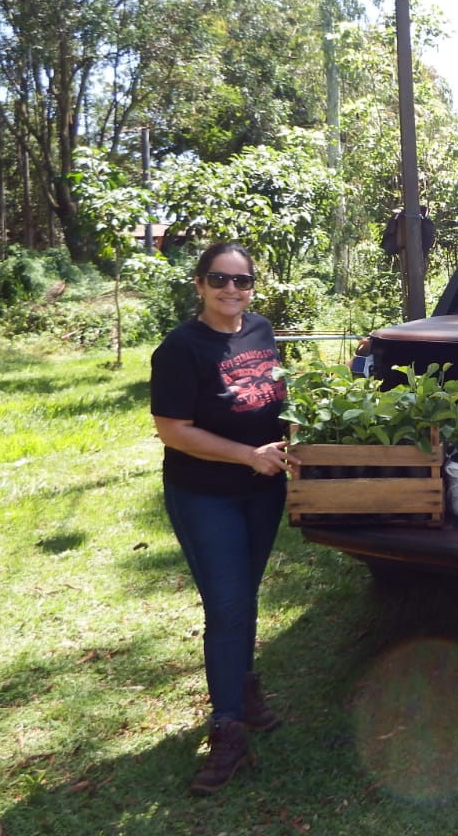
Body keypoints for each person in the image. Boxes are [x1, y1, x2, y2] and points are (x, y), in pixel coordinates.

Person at [150, 242, 301, 795]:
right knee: (228, 606)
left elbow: (275, 397)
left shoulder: (261, 330)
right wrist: (247, 455)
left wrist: (297, 434)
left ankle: (244, 691)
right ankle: (228, 727)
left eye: (242, 280)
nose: (232, 290)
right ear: (199, 284)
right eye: (219, 279)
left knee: (245, 595)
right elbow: (173, 431)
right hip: (205, 494)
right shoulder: (179, 349)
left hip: (262, 491)